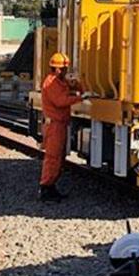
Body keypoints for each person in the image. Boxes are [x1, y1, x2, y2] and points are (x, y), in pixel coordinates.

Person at [40, 52, 84, 201]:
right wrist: (80, 98)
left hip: (58, 124)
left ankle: (50, 187)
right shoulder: (51, 83)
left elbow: (69, 90)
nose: (66, 71)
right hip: (55, 125)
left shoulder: (59, 81)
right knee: (53, 157)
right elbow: (61, 101)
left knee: (58, 157)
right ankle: (46, 188)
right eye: (64, 69)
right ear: (58, 69)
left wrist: (76, 84)